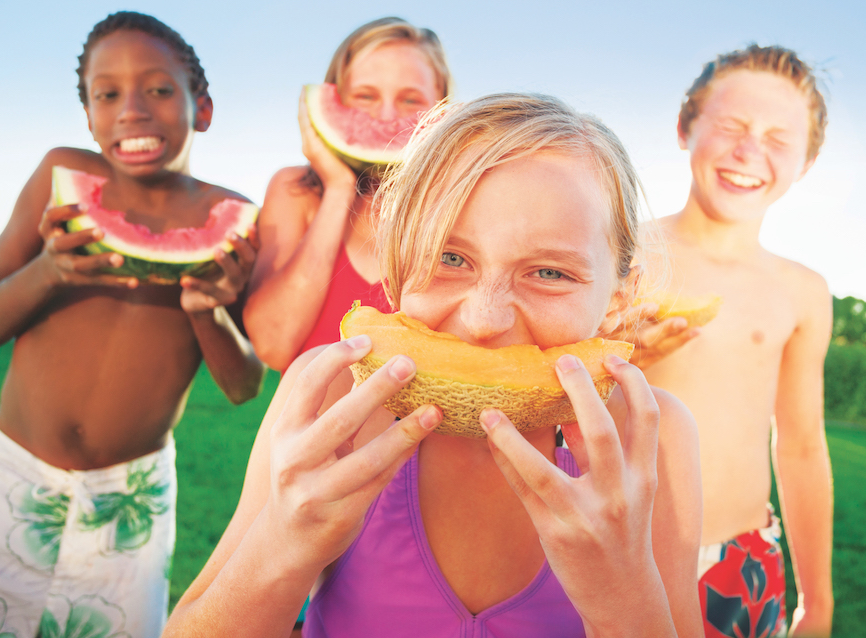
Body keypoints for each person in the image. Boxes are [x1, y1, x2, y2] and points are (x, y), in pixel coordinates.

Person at [165, 94, 705, 638]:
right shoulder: (331, 398)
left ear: (618, 297)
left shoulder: (652, 440)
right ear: (397, 265)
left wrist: (623, 596)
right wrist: (282, 542)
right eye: (450, 259)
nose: (485, 319)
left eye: (549, 273)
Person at [0, 12, 263, 638]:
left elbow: (244, 384)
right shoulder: (60, 179)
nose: (131, 109)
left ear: (203, 107)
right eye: (106, 94)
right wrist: (50, 273)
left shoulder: (234, 216)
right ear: (88, 116)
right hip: (9, 475)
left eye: (159, 89)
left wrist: (206, 310)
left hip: (131, 500)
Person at [619, 46, 834, 637]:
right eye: (733, 127)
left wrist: (817, 601)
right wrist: (619, 354)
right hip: (615, 554)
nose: (749, 152)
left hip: (744, 562)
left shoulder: (803, 292)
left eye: (778, 139)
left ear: (806, 164)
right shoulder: (618, 256)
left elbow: (801, 447)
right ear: (687, 126)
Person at [243, 17, 451, 375]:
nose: (386, 117)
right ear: (334, 100)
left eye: (410, 99)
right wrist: (338, 186)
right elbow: (274, 346)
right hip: (310, 431)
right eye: (365, 96)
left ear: (441, 110)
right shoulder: (295, 192)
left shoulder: (461, 207)